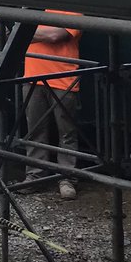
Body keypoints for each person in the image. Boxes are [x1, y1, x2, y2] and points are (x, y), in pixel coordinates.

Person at [22, 13, 82, 200]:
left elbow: (55, 36)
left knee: (66, 132)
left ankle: (67, 178)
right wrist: (41, 33)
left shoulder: (75, 11)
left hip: (63, 80)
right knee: (35, 130)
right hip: (33, 78)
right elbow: (22, 34)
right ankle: (35, 176)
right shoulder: (36, 9)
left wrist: (31, 33)